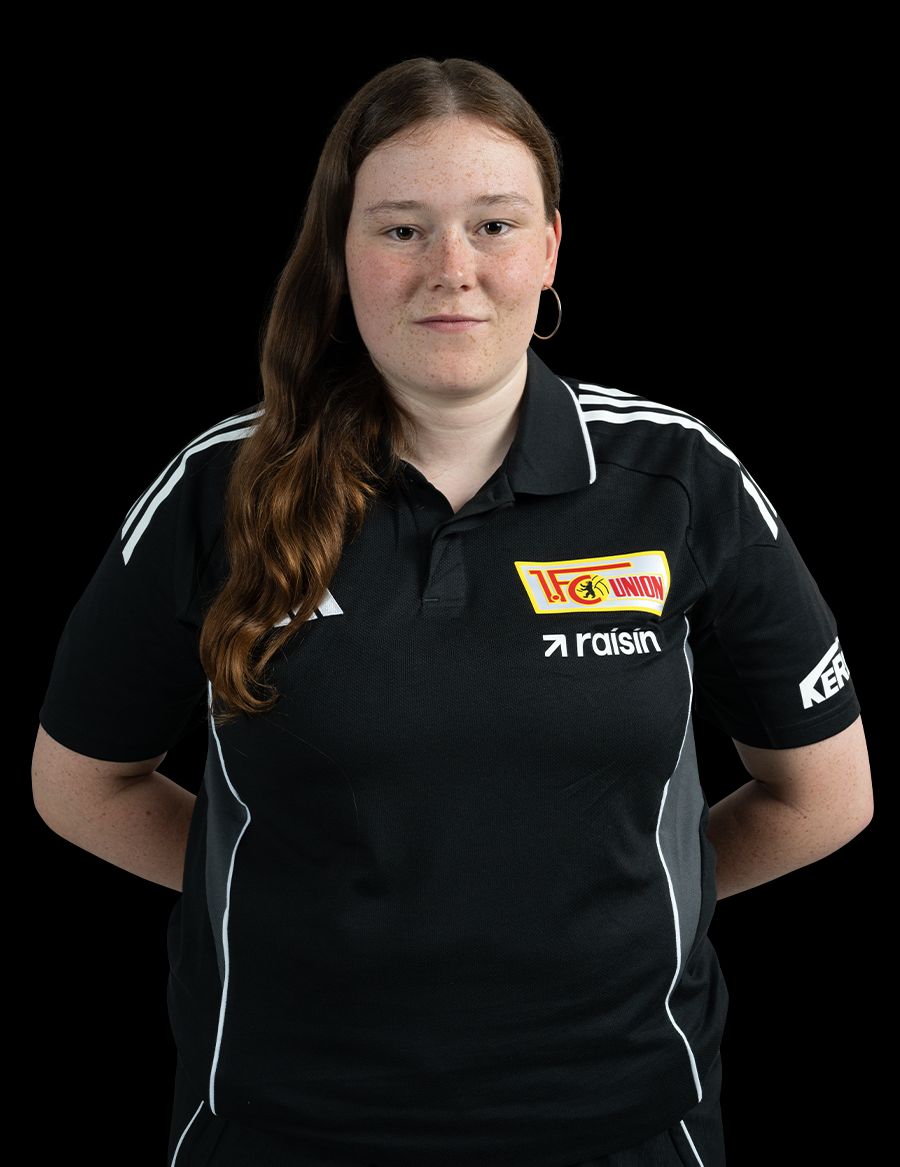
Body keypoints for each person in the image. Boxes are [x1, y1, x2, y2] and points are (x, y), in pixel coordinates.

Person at [32, 56, 872, 1167]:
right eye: (401, 230)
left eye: (493, 225)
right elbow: (81, 785)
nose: (452, 270)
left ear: (550, 248)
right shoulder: (217, 488)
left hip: (620, 1124)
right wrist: (284, 889)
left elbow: (825, 796)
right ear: (340, 252)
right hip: (284, 1125)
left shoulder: (680, 480)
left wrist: (627, 894)